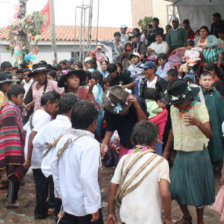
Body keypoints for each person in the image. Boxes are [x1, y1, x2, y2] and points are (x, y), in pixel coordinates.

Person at [163, 80, 214, 224]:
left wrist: (197, 122)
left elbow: (210, 134)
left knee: (198, 193)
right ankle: (187, 217)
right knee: (176, 190)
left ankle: (199, 221)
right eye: (175, 103)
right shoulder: (174, 109)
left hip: (197, 155)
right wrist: (166, 151)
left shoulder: (199, 108)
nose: (176, 106)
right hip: (180, 155)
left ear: (187, 99)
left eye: (179, 103)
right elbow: (173, 129)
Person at [106, 121, 171, 224]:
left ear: (132, 141)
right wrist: (168, 218)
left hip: (127, 216)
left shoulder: (124, 159)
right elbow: (164, 193)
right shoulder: (161, 162)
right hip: (151, 219)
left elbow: (112, 187)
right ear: (154, 142)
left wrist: (111, 212)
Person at [51, 100, 103, 224]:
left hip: (68, 201)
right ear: (94, 124)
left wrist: (59, 193)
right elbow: (87, 177)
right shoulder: (90, 144)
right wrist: (93, 206)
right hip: (84, 206)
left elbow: (54, 166)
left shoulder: (64, 138)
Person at [32, 93, 80, 218]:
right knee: (62, 201)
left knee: (54, 195)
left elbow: (36, 142)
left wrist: (48, 150)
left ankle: (52, 214)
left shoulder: (49, 125)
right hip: (63, 171)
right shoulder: (72, 128)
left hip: (48, 168)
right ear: (71, 110)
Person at [23, 91, 60, 219]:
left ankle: (41, 210)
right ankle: (40, 211)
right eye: (56, 106)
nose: (57, 109)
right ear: (48, 103)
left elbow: (24, 130)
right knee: (44, 186)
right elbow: (33, 134)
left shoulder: (36, 113)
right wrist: (27, 158)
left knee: (41, 185)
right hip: (38, 157)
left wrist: (27, 154)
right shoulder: (44, 117)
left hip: (33, 155)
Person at [101, 85, 147, 159]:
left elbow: (144, 123)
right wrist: (105, 143)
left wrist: (137, 107)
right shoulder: (111, 105)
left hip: (141, 142)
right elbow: (110, 126)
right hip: (125, 141)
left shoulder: (137, 102)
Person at [0, 85, 25, 207]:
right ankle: (11, 200)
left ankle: (11, 198)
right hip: (12, 146)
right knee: (13, 173)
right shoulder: (11, 109)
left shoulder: (9, 107)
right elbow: (10, 131)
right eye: (21, 97)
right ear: (13, 97)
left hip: (9, 145)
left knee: (12, 172)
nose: (22, 100)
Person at [198, 72, 224, 171]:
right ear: (200, 81)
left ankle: (217, 163)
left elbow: (221, 109)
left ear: (213, 81)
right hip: (203, 125)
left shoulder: (216, 93)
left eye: (209, 80)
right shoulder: (198, 95)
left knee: (217, 143)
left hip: (216, 124)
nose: (207, 82)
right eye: (204, 80)